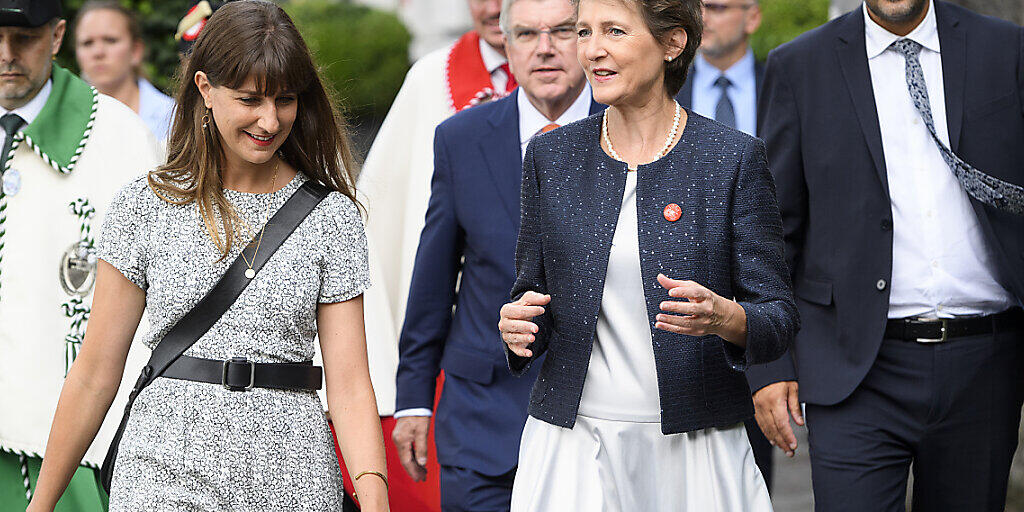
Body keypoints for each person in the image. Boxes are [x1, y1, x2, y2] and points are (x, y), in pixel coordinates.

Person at [27, 2, 389, 511]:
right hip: (159, 473)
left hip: (292, 476)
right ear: (205, 89)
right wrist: (41, 505)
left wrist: (375, 498)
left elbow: (350, 387)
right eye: (249, 99)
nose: (270, 119)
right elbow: (94, 374)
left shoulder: (332, 218)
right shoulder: (144, 205)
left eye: (285, 100)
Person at [498, 0, 798, 508]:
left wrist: (726, 317)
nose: (592, 51)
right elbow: (531, 292)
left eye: (614, 31)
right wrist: (517, 325)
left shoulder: (730, 157)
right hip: (574, 444)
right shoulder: (552, 156)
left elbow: (778, 317)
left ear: (672, 42)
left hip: (694, 445)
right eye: (585, 32)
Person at [749, 0, 1024, 510]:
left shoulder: (1006, 50)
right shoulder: (800, 66)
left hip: (984, 364)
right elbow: (771, 233)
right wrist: (768, 363)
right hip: (852, 368)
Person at [392, 0, 600, 508]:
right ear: (505, 46)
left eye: (562, 32)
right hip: (482, 423)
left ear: (589, 40)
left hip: (599, 421)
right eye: (527, 35)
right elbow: (433, 281)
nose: (545, 49)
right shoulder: (461, 139)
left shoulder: (631, 133)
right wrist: (414, 400)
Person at [0, 0, 161, 509]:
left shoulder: (120, 138)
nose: (6, 54)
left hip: (77, 446)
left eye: (23, 38)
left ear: (55, 35)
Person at [355, 0, 512, 506]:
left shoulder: (589, 79)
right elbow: (386, 219)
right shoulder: (432, 81)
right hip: (466, 355)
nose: (493, 8)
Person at [674, 0, 774, 487]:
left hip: (766, 303)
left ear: (751, 17)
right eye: (699, 7)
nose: (707, 18)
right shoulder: (665, 88)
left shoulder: (786, 81)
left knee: (751, 472)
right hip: (683, 303)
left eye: (718, 6)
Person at [74, 0, 175, 143]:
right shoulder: (62, 119)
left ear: (135, 51)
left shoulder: (173, 117)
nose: (98, 52)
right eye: (87, 43)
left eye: (110, 40)